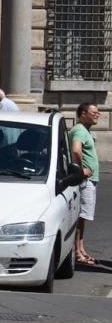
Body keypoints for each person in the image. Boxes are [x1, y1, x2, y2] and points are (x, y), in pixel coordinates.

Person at [69, 103, 100, 265]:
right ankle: (76, 252)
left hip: (89, 180)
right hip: (84, 180)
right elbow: (75, 149)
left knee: (83, 217)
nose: (98, 114)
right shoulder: (80, 130)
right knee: (80, 216)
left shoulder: (85, 130)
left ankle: (80, 249)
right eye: (94, 112)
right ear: (82, 114)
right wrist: (81, 171)